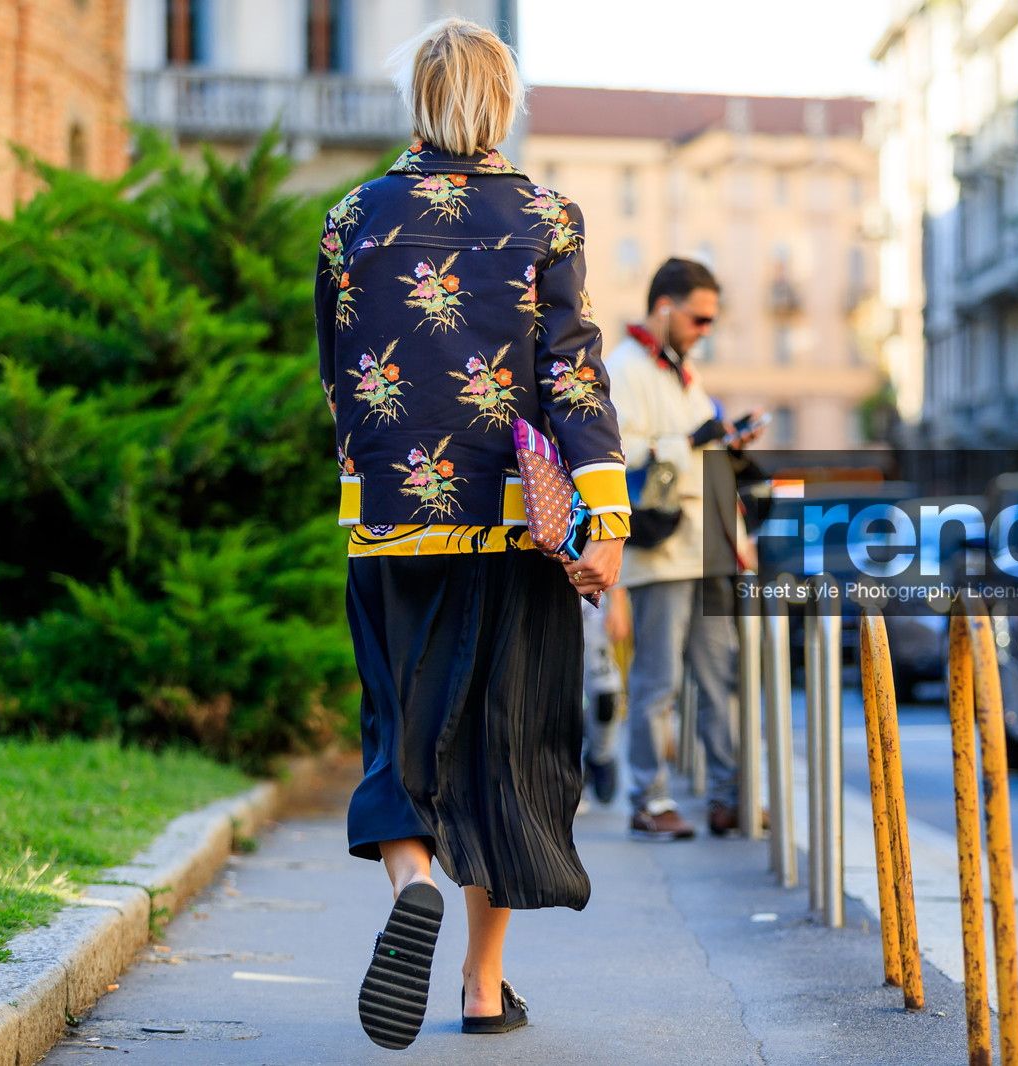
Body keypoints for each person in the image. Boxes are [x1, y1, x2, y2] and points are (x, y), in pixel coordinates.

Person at [314, 18, 628, 1050]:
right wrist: (605, 520)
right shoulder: (544, 214)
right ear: (501, 101)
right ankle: (483, 989)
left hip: (392, 525)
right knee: (509, 745)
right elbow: (573, 372)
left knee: (398, 725)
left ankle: (411, 880)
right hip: (516, 525)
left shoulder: (350, 217)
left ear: (418, 98)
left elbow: (335, 378)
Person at [606, 258, 762, 840]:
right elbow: (619, 454)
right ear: (666, 308)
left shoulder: (682, 372)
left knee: (720, 680)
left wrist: (727, 441)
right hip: (663, 551)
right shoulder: (625, 368)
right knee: (656, 684)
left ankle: (728, 799)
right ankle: (647, 801)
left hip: (707, 548)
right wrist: (692, 440)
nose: (706, 330)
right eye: (699, 318)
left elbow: (701, 455)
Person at [580, 586, 629, 807]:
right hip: (533, 597)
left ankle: (600, 757)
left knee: (606, 697)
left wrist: (617, 601)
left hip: (589, 601)